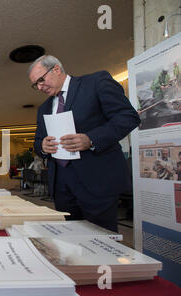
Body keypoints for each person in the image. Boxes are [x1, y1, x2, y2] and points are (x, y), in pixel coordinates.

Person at [29, 55, 140, 232]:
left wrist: (91, 139)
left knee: (102, 243)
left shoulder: (96, 83)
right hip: (62, 186)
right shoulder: (44, 108)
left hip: (97, 181)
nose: (40, 87)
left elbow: (128, 117)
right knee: (71, 241)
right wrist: (42, 146)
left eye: (41, 80)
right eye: (36, 84)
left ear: (56, 69)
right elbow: (37, 141)